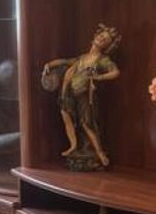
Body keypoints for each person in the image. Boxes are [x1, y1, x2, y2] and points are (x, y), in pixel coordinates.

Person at [41, 24, 121, 169]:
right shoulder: (82, 58)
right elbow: (65, 61)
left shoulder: (102, 60)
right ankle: (73, 145)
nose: (101, 39)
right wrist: (49, 65)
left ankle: (99, 152)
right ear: (95, 36)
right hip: (70, 93)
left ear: (107, 46)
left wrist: (99, 77)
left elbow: (115, 72)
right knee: (66, 115)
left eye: (106, 40)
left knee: (86, 123)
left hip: (84, 95)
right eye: (101, 36)